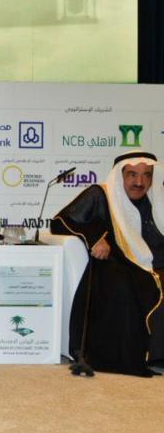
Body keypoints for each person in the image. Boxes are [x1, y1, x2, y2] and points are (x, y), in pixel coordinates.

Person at [51, 151, 164, 377]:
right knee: (126, 286)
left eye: (146, 175)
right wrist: (94, 237)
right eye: (132, 175)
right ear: (120, 175)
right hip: (120, 263)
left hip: (157, 265)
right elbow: (61, 221)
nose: (140, 182)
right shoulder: (101, 195)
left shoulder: (157, 199)